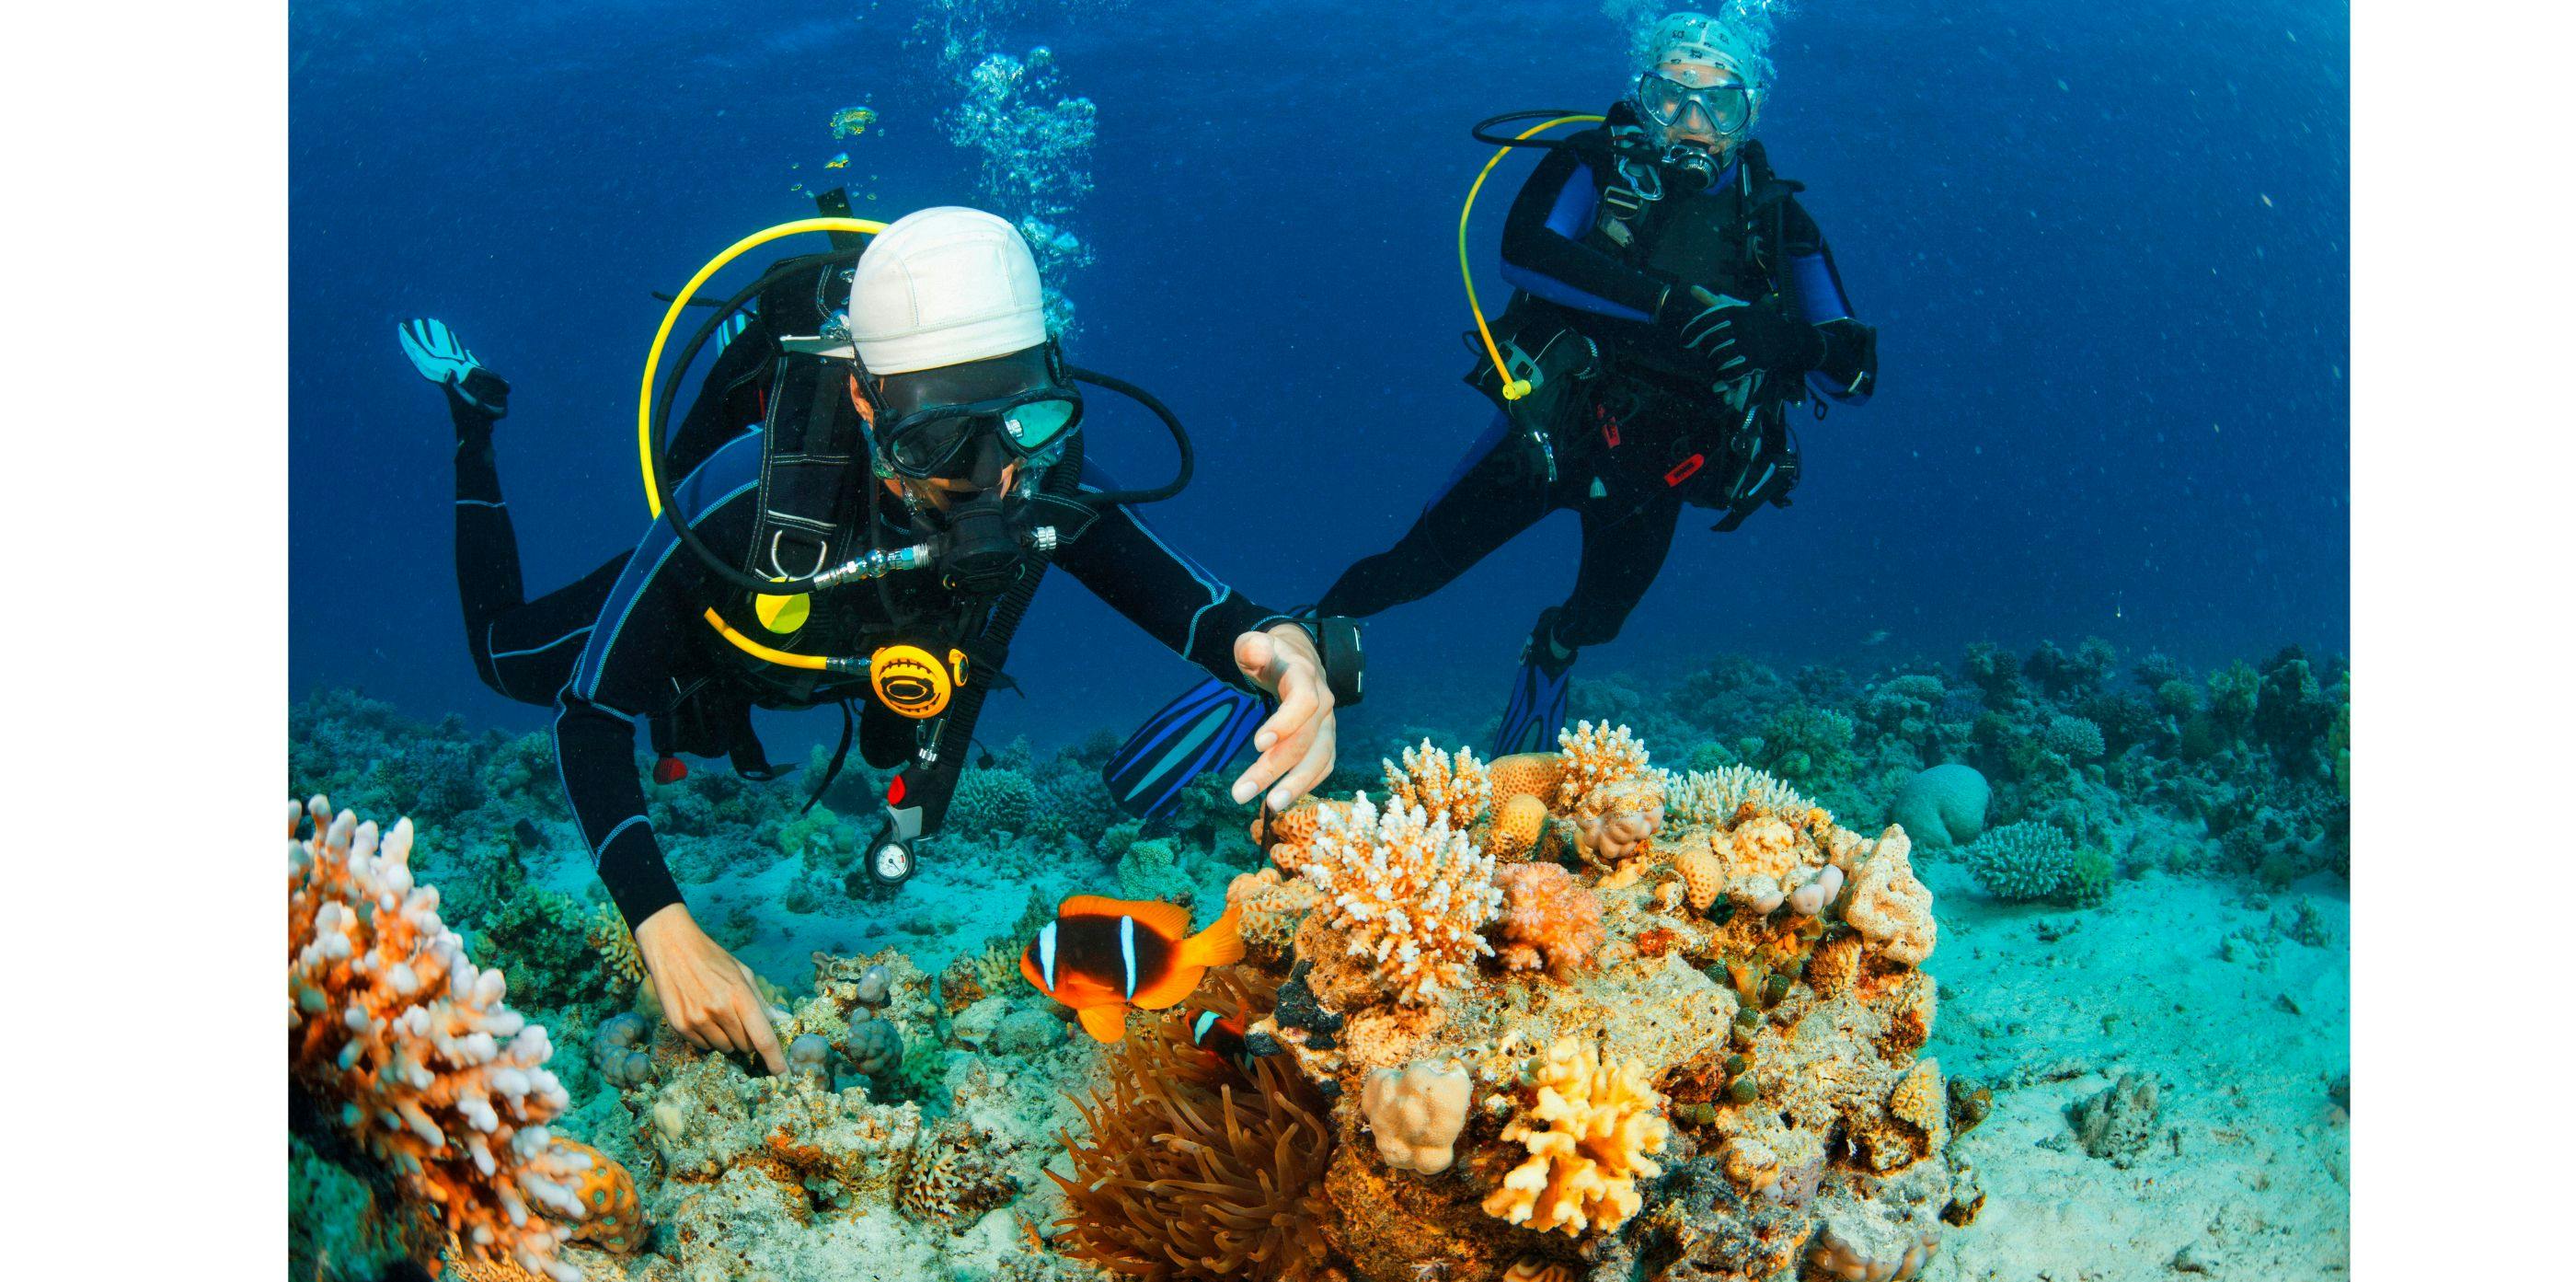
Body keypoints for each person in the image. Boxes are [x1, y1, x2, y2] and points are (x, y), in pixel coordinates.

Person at [400, 206, 1346, 1072]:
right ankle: (471, 424)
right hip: (717, 640)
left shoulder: (1045, 482)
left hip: (874, 665)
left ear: (1054, 382)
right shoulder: (741, 497)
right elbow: (590, 715)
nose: (991, 481)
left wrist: (1288, 653)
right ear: (864, 402)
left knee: (914, 721)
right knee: (505, 660)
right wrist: (660, 923)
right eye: (937, 442)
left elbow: (1217, 618)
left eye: (1022, 423)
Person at [1317, 8, 1879, 755]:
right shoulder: (1595, 161)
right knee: (1408, 571)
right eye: (1670, 96)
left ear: (1751, 113)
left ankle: (1551, 647)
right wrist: (1668, 304)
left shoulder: (1779, 225)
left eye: (1720, 102)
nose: (1692, 121)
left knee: (1600, 620)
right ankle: (1286, 646)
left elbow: (1857, 373)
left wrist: (1789, 339)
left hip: (1662, 471)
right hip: (1551, 432)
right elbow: (1522, 249)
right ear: (1640, 99)